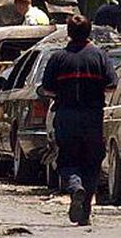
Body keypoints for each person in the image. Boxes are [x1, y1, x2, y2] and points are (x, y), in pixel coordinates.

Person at [42, 15, 118, 226]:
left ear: (68, 33)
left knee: (67, 159)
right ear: (89, 31)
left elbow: (47, 88)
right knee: (92, 162)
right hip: (93, 118)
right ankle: (85, 213)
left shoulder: (58, 58)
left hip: (66, 117)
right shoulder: (100, 56)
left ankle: (76, 188)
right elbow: (112, 85)